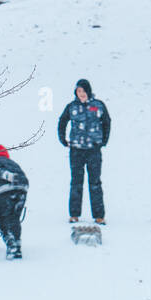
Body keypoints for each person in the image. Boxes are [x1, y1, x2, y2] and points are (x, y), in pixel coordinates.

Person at [57, 78, 111, 226]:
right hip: (76, 150)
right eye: (78, 91)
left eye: (83, 91)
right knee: (76, 182)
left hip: (93, 150)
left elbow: (107, 122)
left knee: (95, 182)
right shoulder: (71, 107)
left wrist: (104, 140)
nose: (81, 94)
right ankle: (74, 214)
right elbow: (62, 121)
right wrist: (63, 139)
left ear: (88, 91)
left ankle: (99, 216)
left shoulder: (98, 105)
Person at [0, 144, 28, 258]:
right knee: (14, 218)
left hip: (5, 190)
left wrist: (9, 176)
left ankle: (11, 244)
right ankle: (17, 247)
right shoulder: (13, 163)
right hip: (22, 188)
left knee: (1, 218)